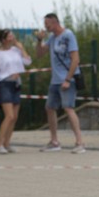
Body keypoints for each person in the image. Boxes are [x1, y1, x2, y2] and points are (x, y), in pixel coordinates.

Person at [35, 13, 85, 153]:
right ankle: (54, 141)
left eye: (48, 24)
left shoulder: (68, 35)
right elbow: (39, 54)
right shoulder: (52, 38)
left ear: (55, 23)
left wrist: (68, 80)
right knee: (50, 108)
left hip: (67, 79)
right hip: (55, 80)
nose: (46, 27)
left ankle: (80, 142)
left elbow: (75, 59)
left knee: (68, 108)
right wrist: (39, 40)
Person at [0, 29, 32, 154]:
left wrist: (21, 48)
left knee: (14, 117)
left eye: (12, 35)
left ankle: (7, 143)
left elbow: (27, 62)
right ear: (4, 39)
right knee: (9, 116)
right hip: (4, 84)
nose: (12, 37)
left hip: (16, 84)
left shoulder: (16, 51)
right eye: (9, 36)